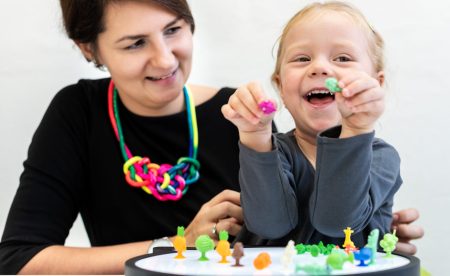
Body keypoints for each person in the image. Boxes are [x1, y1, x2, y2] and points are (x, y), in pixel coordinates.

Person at [0, 0, 423, 274]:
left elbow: (298, 232)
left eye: (173, 30)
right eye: (134, 44)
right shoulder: (80, 114)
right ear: (88, 48)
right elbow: (18, 259)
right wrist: (174, 245)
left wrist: (371, 234)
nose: (164, 59)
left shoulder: (239, 116)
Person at [222, 1, 421, 248]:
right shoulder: (273, 151)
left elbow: (339, 223)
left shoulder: (381, 157)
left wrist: (357, 128)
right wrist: (254, 133)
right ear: (281, 87)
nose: (319, 67)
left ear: (376, 84)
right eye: (302, 58)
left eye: (343, 58)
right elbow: (268, 224)